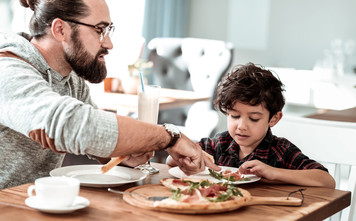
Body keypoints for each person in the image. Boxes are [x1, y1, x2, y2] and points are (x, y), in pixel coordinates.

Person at [0, 0, 220, 189]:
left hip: (30, 205)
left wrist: (128, 153)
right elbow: (71, 125)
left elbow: (96, 138)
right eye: (99, 30)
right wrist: (169, 137)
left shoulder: (70, 80)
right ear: (60, 30)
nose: (108, 43)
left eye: (108, 30)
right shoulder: (7, 70)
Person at [167, 63, 335, 188]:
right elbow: (170, 161)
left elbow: (327, 181)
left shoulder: (280, 150)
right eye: (234, 116)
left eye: (254, 118)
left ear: (273, 119)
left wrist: (274, 172)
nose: (241, 126)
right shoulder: (219, 144)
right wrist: (188, 157)